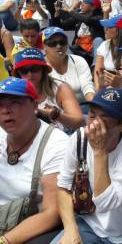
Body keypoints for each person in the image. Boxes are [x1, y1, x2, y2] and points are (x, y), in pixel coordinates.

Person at [54, 88, 122, 244]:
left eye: (104, 119)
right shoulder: (79, 137)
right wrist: (71, 230)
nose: (94, 124)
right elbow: (63, 187)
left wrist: (100, 151)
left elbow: (107, 203)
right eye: (92, 115)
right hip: (90, 224)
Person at [0, 77, 68, 244]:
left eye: (15, 102)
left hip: (29, 225)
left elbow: (51, 213)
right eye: (0, 104)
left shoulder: (57, 144)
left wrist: (5, 241)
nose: (5, 110)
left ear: (35, 105)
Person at [12, 48, 84, 132]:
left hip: (61, 139)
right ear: (18, 73)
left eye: (35, 69)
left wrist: (56, 115)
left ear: (43, 69)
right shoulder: (12, 92)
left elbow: (78, 121)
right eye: (24, 70)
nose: (30, 74)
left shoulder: (61, 88)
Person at [43, 26, 95, 103]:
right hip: (52, 110)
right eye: (52, 43)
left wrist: (94, 106)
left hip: (81, 106)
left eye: (62, 42)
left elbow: (87, 87)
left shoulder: (78, 61)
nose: (58, 46)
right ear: (44, 46)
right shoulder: (40, 66)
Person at [56, 0, 104, 65]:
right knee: (63, 45)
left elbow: (88, 20)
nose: (82, 4)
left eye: (85, 3)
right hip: (78, 48)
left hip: (91, 51)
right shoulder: (79, 16)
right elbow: (62, 26)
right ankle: (73, 66)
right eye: (82, 2)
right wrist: (57, 12)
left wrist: (70, 11)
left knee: (98, 39)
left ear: (93, 7)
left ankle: (96, 66)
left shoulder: (99, 17)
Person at [94, 14, 122, 89]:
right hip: (105, 88)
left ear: (120, 31)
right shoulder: (104, 45)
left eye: (110, 27)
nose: (106, 29)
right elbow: (98, 73)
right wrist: (98, 92)